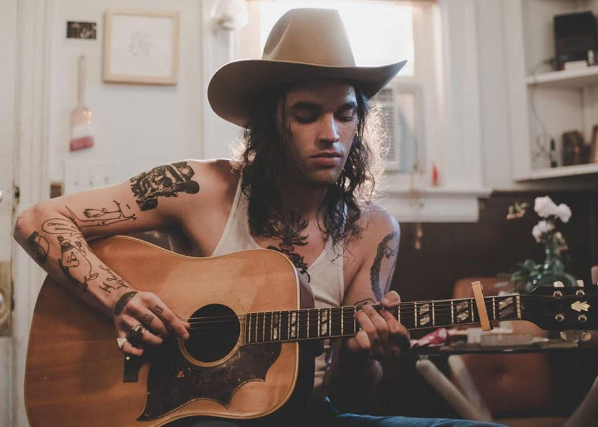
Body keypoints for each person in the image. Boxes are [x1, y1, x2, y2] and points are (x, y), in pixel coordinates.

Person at [14, 8, 503, 427]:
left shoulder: (374, 230)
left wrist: (362, 356)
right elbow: (38, 218)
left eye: (345, 113)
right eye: (307, 114)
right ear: (271, 122)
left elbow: (348, 396)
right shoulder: (199, 188)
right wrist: (120, 299)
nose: (331, 133)